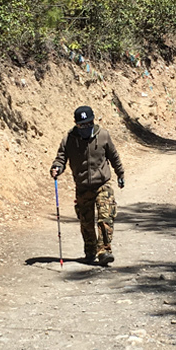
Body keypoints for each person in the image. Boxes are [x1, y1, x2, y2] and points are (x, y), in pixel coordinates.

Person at [51, 105, 125, 265]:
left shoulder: (103, 135)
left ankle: (104, 250)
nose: (86, 127)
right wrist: (56, 168)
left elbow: (113, 156)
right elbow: (61, 158)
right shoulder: (69, 139)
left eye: (89, 123)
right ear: (76, 124)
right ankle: (90, 250)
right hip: (82, 186)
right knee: (86, 222)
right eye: (82, 125)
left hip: (102, 183)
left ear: (93, 121)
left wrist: (120, 174)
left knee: (106, 217)